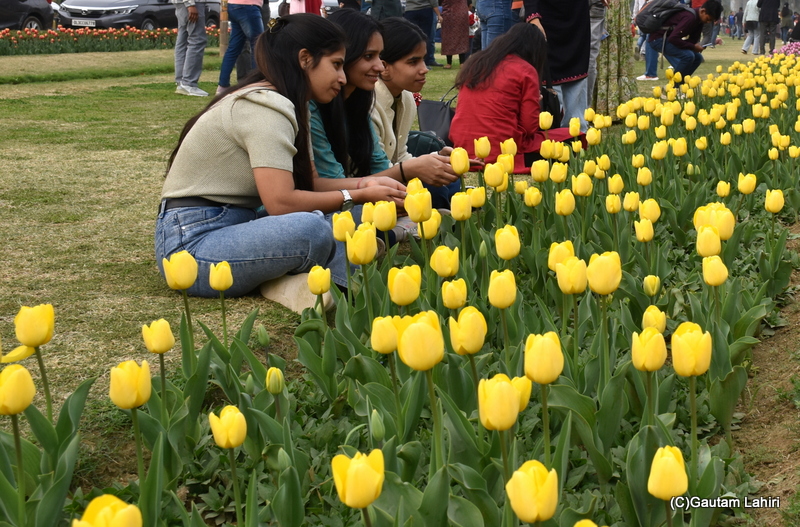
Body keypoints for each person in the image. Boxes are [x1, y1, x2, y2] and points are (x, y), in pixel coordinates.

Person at [156, 15, 405, 309]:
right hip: (192, 245)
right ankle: (342, 292)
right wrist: (357, 193)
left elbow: (312, 184)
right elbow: (280, 203)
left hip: (238, 224)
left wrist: (367, 186)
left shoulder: (289, 103)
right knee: (313, 228)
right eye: (336, 64)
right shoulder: (266, 106)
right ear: (304, 59)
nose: (341, 76)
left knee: (346, 216)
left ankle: (323, 287)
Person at [312, 11, 457, 215]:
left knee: (440, 188)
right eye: (369, 56)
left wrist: (432, 161)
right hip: (327, 201)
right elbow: (335, 182)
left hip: (359, 187)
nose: (379, 66)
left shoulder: (362, 99)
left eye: (380, 57)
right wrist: (409, 172)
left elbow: (384, 161)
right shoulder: (313, 107)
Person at [449, 23, 575, 171]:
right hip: (502, 149)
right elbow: (529, 127)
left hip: (463, 148)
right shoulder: (525, 70)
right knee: (575, 136)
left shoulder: (476, 62)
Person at [372, 17, 462, 207]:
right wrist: (420, 168)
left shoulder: (405, 98)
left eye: (423, 59)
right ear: (384, 67)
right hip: (372, 183)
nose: (424, 69)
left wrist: (435, 158)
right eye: (413, 62)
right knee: (433, 189)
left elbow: (400, 155)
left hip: (391, 176)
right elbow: (376, 170)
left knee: (448, 177)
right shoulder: (369, 103)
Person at [524, 0, 591, 131]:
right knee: (549, 84)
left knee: (578, 78)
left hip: (577, 22)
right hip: (547, 24)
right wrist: (533, 18)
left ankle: (577, 136)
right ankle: (551, 136)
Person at [646, 0, 722, 83]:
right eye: (708, 19)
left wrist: (697, 46)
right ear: (703, 11)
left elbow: (692, 40)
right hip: (657, 39)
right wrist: (693, 47)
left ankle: (681, 82)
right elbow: (673, 38)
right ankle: (674, 86)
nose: (708, 22)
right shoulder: (690, 17)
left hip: (667, 39)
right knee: (688, 56)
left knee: (698, 58)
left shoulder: (699, 20)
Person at [593, 0, 636, 115]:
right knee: (603, 46)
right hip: (605, 7)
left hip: (617, 8)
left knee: (612, 45)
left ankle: (616, 106)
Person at [216, 0, 265, 95]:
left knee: (233, 48)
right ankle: (256, 84)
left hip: (233, 5)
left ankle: (223, 85)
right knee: (258, 46)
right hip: (249, 5)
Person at [173, 0, 209, 96]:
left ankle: (181, 82)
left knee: (183, 41)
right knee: (197, 40)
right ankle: (189, 83)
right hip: (192, 3)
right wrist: (190, 4)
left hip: (182, 3)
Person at [404, 0, 443, 67]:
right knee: (425, 37)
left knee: (411, 38)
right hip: (425, 10)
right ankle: (425, 62)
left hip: (410, 10)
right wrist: (438, 14)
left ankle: (411, 60)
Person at [634, 0, 659, 81]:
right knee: (649, 39)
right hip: (651, 18)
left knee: (649, 40)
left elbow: (637, 8)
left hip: (651, 18)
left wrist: (634, 19)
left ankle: (651, 74)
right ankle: (650, 73)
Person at [441, 0, 471, 68]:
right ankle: (461, 62)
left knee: (451, 37)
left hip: (453, 13)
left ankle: (450, 63)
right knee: (457, 37)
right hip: (456, 14)